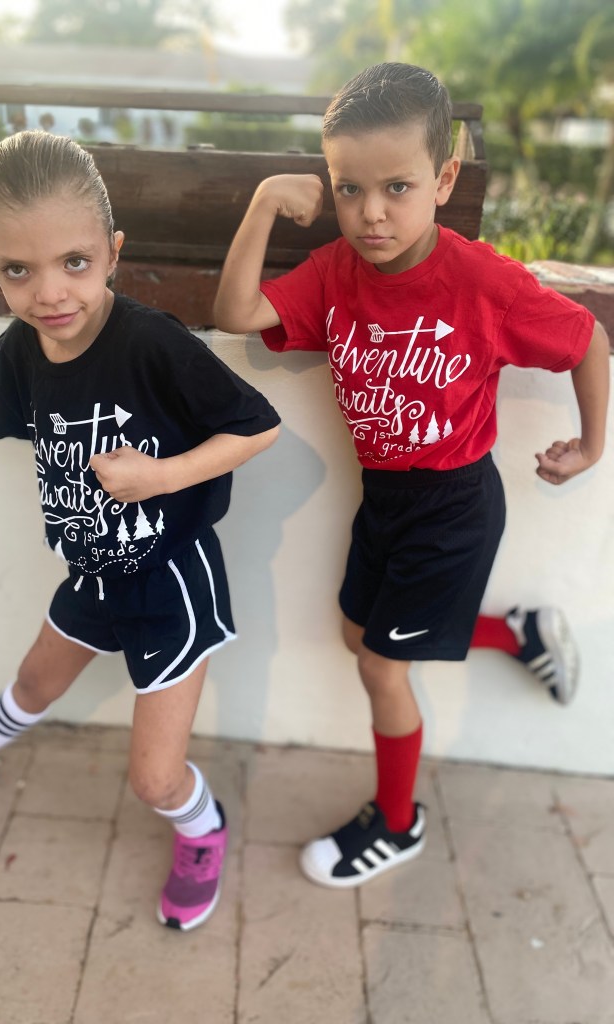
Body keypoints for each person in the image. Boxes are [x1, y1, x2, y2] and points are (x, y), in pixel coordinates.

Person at [0, 130, 280, 930]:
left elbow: (257, 426)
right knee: (33, 684)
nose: (50, 292)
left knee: (154, 780)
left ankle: (203, 828)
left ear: (113, 251)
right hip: (91, 571)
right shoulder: (25, 347)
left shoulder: (151, 342)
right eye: (18, 270)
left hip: (168, 585)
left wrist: (163, 476)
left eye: (74, 262)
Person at [213, 62, 609, 889]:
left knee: (379, 668)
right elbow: (237, 313)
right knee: (358, 636)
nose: (372, 212)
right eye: (349, 188)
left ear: (445, 179)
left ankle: (398, 823)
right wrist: (264, 203)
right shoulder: (335, 270)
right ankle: (517, 632)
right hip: (384, 500)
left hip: (454, 508)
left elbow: (586, 340)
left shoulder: (483, 282)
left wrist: (591, 445)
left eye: (397, 186)